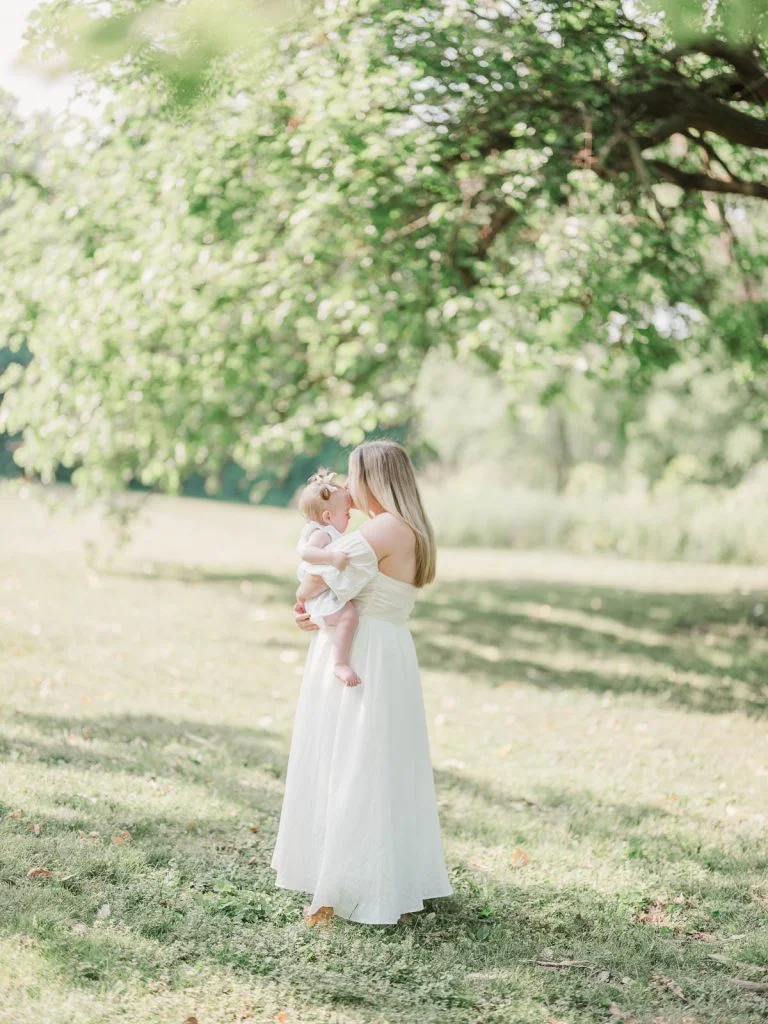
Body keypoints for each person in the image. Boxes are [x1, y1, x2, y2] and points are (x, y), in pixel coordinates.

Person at [270, 439, 453, 926]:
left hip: (365, 648)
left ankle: (354, 881)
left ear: (372, 479)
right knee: (376, 759)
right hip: (386, 645)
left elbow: (313, 582)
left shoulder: (382, 529)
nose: (347, 488)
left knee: (354, 757)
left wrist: (304, 601)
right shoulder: (410, 527)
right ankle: (370, 873)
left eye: (352, 477)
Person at [296, 468, 361, 687]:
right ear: (327, 516)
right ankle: (340, 663)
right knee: (348, 616)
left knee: (347, 616)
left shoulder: (329, 532)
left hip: (320, 589)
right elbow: (306, 553)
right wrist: (331, 557)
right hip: (319, 592)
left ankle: (339, 662)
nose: (349, 518)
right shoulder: (322, 534)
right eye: (347, 514)